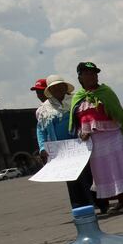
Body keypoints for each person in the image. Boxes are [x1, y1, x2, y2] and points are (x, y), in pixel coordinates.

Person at [68, 62, 123, 211]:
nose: (92, 76)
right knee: (104, 173)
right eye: (88, 73)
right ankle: (120, 200)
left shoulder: (105, 92)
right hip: (94, 143)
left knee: (119, 168)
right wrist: (81, 132)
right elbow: (76, 120)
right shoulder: (78, 97)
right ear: (80, 77)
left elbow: (117, 114)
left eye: (94, 73)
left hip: (112, 137)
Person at [36, 74, 100, 210]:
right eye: (54, 87)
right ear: (49, 91)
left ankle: (99, 202)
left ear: (65, 87)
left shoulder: (76, 100)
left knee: (88, 173)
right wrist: (42, 147)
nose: (58, 89)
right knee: (71, 178)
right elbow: (41, 130)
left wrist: (85, 129)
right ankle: (79, 206)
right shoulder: (43, 109)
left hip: (80, 143)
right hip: (61, 149)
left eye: (60, 86)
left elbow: (86, 116)